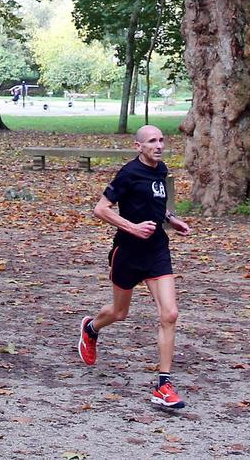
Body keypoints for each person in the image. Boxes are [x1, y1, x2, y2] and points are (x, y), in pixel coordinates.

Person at [75, 124, 194, 411]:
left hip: (156, 251)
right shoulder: (128, 173)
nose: (159, 145)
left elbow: (153, 204)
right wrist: (132, 227)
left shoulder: (161, 170)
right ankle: (91, 329)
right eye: (152, 141)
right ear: (138, 146)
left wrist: (171, 219)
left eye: (161, 140)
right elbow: (100, 209)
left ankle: (163, 385)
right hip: (127, 253)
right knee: (120, 312)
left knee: (170, 313)